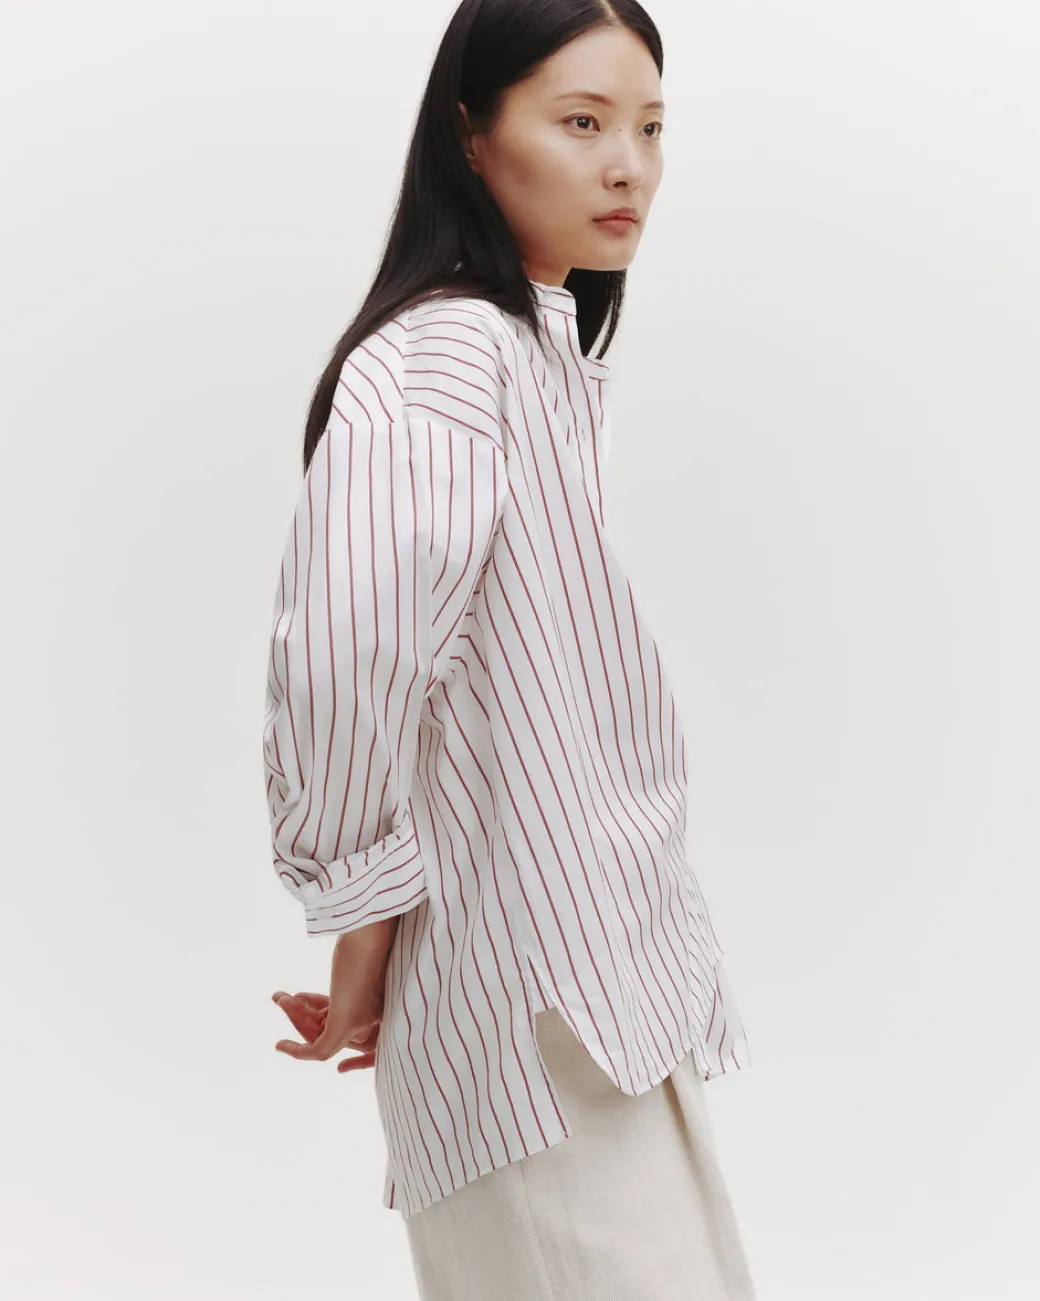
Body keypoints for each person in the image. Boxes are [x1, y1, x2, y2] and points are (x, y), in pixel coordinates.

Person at [263, 1, 758, 1296]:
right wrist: (362, 930)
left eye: (651, 128)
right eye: (582, 122)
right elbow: (349, 658)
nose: (629, 166)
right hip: (533, 1009)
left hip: (599, 988)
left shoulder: (534, 351)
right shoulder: (445, 356)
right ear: (471, 137)